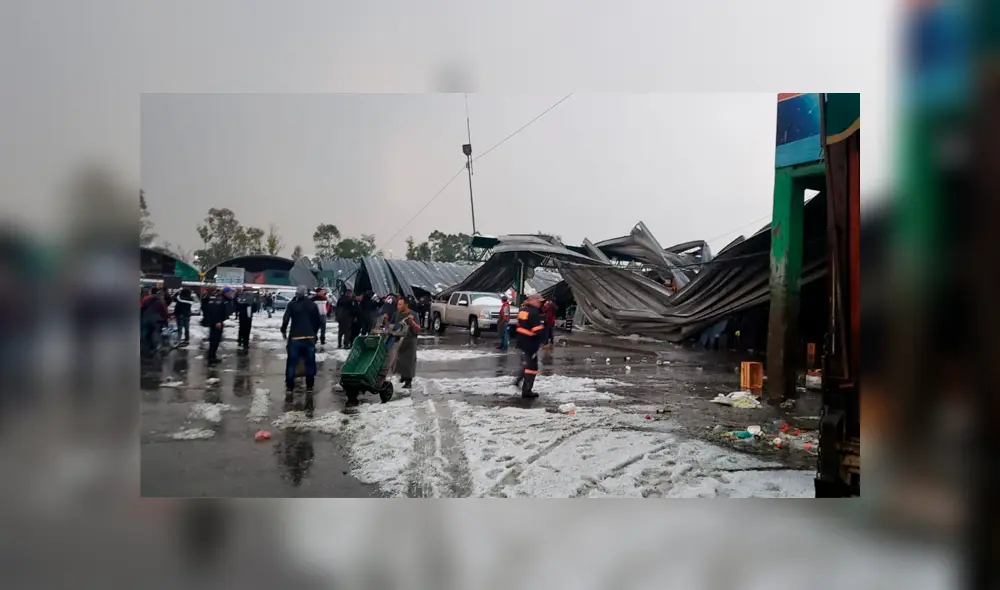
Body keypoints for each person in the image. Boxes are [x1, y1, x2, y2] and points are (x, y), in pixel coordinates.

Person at [281, 285, 322, 400]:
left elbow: (285, 320)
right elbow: (318, 321)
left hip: (295, 338)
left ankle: (290, 387)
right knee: (310, 362)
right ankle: (309, 386)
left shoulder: (292, 305)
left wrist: (283, 330)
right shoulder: (312, 305)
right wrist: (314, 332)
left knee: (292, 362)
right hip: (309, 337)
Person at [514, 295, 545, 398]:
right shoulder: (534, 313)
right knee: (532, 367)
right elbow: (537, 330)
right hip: (531, 343)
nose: (540, 303)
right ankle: (526, 390)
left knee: (527, 363)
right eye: (539, 301)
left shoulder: (523, 310)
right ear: (533, 300)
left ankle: (518, 381)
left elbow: (521, 326)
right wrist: (544, 336)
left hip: (522, 341)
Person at [391, 296, 421, 389]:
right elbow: (391, 325)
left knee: (409, 362)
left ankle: (408, 381)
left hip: (410, 341)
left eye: (400, 304)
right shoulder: (396, 314)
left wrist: (412, 322)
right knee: (399, 361)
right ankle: (403, 376)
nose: (398, 306)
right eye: (397, 304)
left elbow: (418, 329)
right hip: (399, 340)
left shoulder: (413, 314)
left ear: (406, 305)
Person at [201, 286, 234, 365]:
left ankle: (213, 356)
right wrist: (218, 321)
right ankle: (211, 357)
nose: (231, 294)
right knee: (214, 340)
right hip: (216, 322)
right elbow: (215, 311)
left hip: (218, 322)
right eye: (230, 293)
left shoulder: (224, 299)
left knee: (216, 340)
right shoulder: (219, 300)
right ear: (226, 293)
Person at [140, 287, 168, 357]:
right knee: (156, 334)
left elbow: (141, 308)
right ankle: (153, 348)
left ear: (151, 292)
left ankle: (146, 349)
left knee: (145, 334)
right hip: (158, 320)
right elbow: (164, 311)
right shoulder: (161, 300)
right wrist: (165, 319)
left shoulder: (145, 299)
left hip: (146, 319)